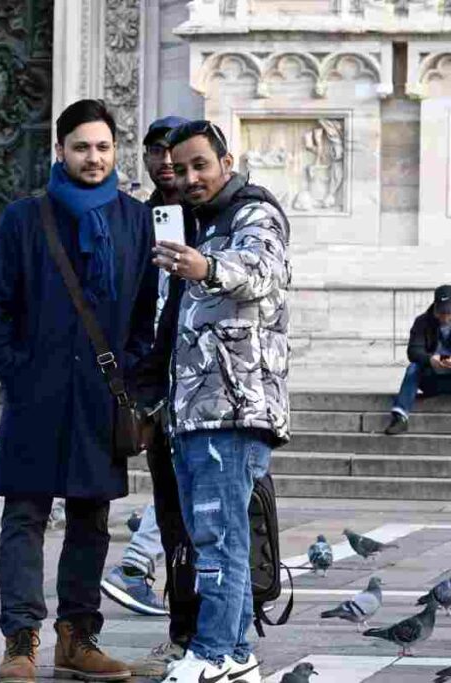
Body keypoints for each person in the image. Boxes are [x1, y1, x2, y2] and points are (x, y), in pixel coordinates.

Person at [0, 99, 158, 683]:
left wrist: (127, 373)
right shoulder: (24, 218)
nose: (94, 157)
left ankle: (78, 639)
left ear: (115, 152)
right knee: (24, 517)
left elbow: (147, 313)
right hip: (37, 393)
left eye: (103, 147)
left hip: (100, 395)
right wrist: (19, 372)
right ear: (60, 151)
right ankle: (20, 641)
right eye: (81, 147)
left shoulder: (136, 219)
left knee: (91, 519)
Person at [152, 120, 290, 683]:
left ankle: (210, 653)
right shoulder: (193, 224)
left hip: (233, 404)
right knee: (215, 534)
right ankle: (235, 654)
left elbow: (262, 270)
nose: (189, 177)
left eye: (200, 165)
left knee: (219, 536)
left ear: (225, 163)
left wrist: (205, 267)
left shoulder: (254, 213)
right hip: (193, 406)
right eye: (179, 169)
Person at [100, 116, 203, 677]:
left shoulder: (215, 216)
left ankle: (221, 635)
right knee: (169, 516)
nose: (165, 162)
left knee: (211, 520)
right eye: (155, 152)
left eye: (175, 153)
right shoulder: (135, 222)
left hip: (208, 388)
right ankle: (182, 632)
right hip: (156, 384)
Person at [385, 284, 451, 435]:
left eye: (449, 313)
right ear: (435, 307)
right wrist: (430, 360)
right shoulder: (422, 321)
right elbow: (413, 351)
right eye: (442, 313)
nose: (445, 317)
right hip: (431, 379)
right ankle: (400, 417)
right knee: (413, 367)